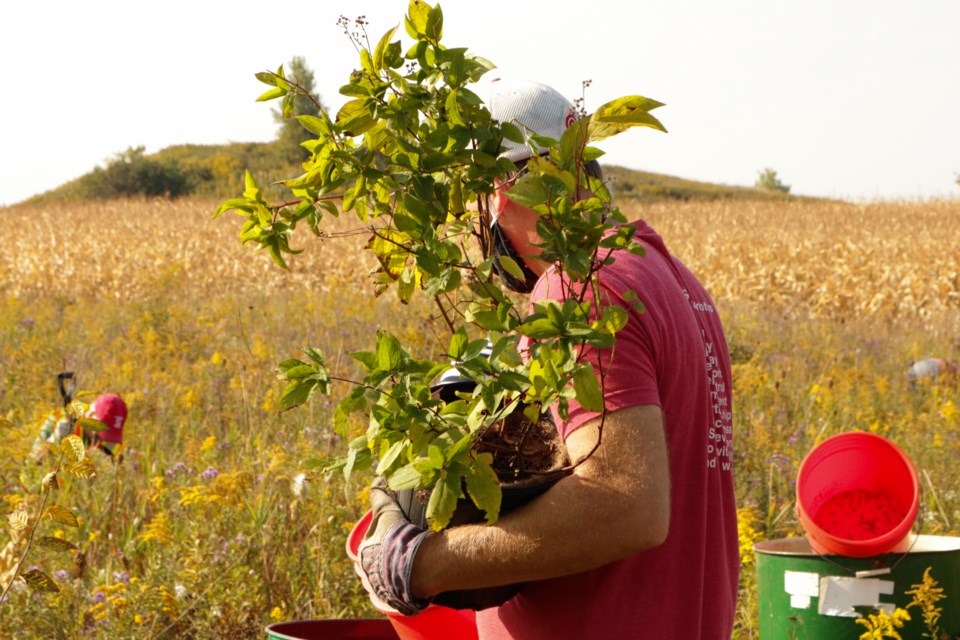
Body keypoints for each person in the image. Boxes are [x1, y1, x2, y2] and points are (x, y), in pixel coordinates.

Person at [356, 78, 739, 639]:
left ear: (499, 191)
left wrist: (421, 564)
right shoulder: (673, 282)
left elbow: (627, 505)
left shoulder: (583, 288)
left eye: (475, 202)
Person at [31, 392, 128, 459]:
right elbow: (30, 467)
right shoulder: (57, 419)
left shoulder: (110, 441)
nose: (102, 441)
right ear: (90, 415)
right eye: (100, 433)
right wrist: (56, 441)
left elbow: (119, 468)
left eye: (109, 436)